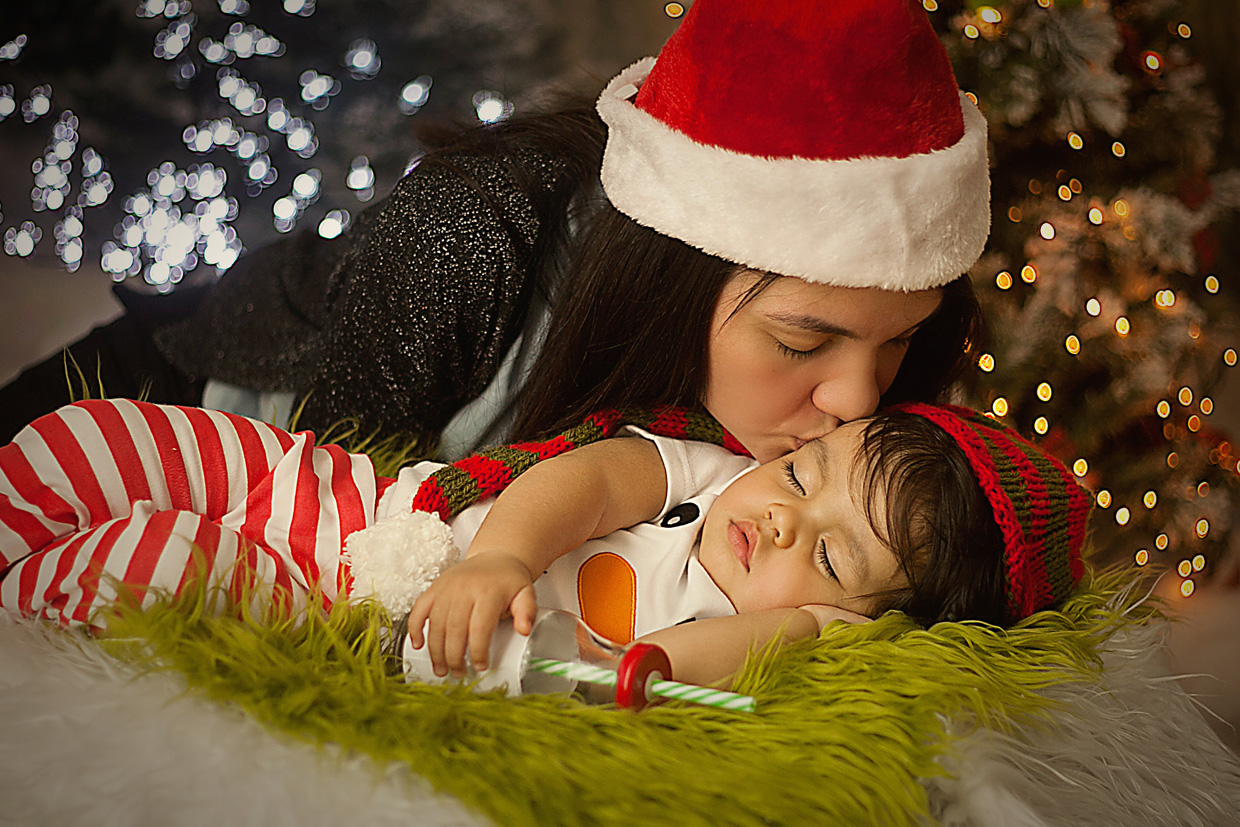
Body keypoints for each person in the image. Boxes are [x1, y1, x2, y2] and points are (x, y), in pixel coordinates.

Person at [0, 0, 991, 470]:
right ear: (671, 274)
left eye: (896, 340)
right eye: (802, 341)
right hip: (181, 398)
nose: (858, 402)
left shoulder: (828, 410)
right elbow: (340, 526)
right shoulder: (464, 239)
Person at [0, 397, 1090, 692]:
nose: (784, 517)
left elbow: (664, 671)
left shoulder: (780, 629)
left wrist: (797, 625)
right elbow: (588, 476)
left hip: (351, 611)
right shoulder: (710, 472)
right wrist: (499, 557)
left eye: (834, 556)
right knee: (84, 444)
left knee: (151, 557)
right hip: (373, 508)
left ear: (856, 614)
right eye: (805, 473)